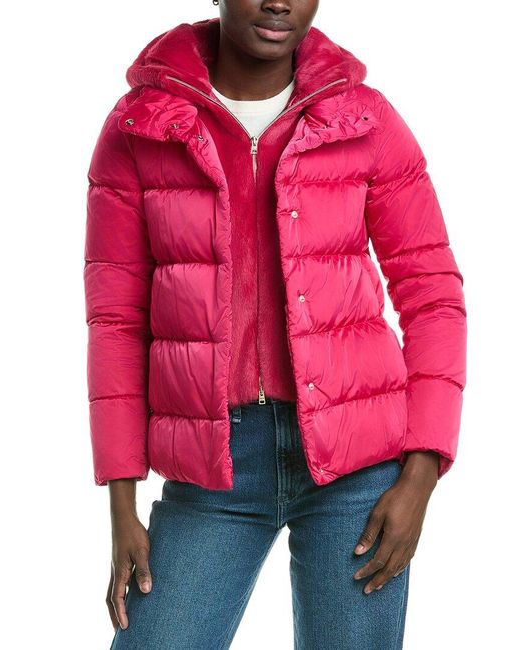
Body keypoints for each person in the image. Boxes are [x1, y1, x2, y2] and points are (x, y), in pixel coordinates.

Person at [83, 2, 467, 648]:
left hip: (357, 469)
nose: (278, 1)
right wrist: (121, 503)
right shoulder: (141, 127)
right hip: (213, 467)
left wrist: (421, 473)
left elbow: (433, 296)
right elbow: (115, 321)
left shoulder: (362, 119)